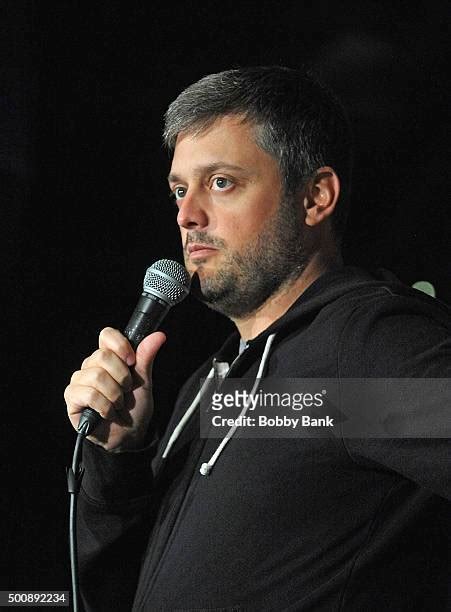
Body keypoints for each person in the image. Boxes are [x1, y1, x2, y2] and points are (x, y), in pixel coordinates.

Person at [64, 67, 450, 611]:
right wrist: (119, 458)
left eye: (221, 182)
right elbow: (116, 593)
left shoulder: (358, 349)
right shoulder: (210, 384)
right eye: (180, 189)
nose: (187, 215)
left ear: (315, 197)